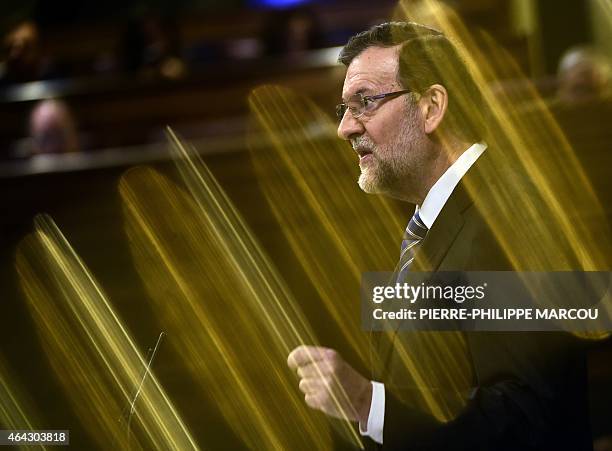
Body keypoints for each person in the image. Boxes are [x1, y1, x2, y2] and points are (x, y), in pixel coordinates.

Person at [287, 22, 593, 450]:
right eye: (344, 110)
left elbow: (527, 421)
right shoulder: (435, 223)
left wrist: (365, 403)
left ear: (432, 106)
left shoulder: (504, 219)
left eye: (365, 102)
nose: (345, 129)